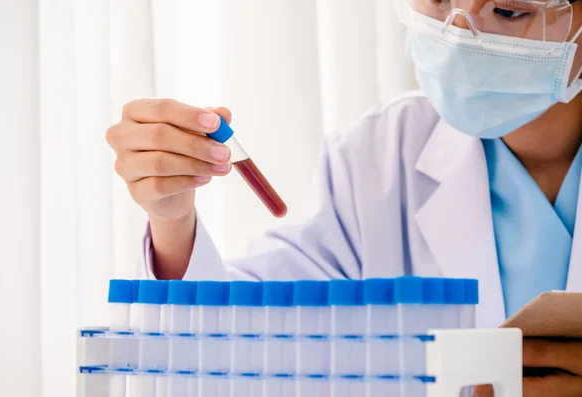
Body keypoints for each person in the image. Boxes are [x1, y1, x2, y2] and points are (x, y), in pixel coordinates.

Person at [106, 1, 582, 395]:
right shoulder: (379, 155)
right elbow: (236, 345)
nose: (458, 34)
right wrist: (172, 216)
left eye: (507, 9)